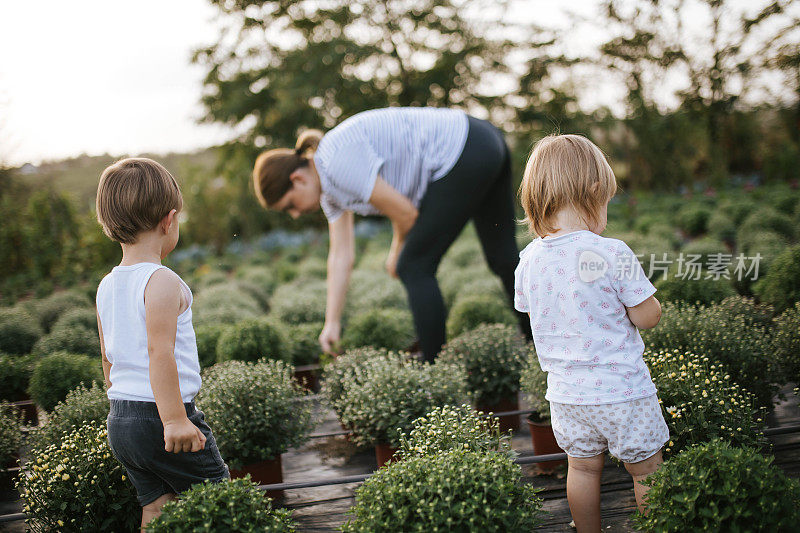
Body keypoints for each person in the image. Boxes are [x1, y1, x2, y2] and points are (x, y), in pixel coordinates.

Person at [253, 107, 532, 362]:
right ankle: (538, 346)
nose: (295, 214)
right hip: (483, 140)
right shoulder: (329, 188)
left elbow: (405, 213)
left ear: (297, 179)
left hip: (462, 150)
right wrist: (332, 322)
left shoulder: (335, 162)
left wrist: (396, 252)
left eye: (289, 205)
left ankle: (436, 371)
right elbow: (340, 257)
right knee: (503, 257)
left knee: (413, 266)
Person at [513, 135, 668, 532]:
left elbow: (531, 309)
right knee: (646, 471)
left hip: (566, 396)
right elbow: (647, 316)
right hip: (623, 392)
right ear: (595, 191)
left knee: (581, 470)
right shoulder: (610, 252)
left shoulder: (528, 259)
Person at [95, 158, 229, 529]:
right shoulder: (161, 280)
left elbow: (108, 358)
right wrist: (174, 420)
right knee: (221, 498)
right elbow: (160, 352)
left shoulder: (107, 285)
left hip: (121, 421)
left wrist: (119, 405)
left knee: (156, 508)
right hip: (161, 417)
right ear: (168, 221)